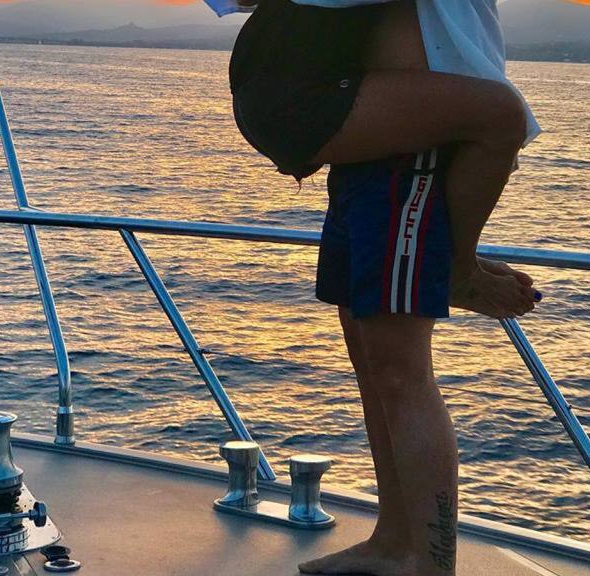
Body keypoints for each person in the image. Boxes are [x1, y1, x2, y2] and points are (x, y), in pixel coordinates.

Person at [227, 1, 543, 575]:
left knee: (399, 371)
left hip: (405, 152)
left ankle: (431, 565)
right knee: (374, 363)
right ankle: (395, 542)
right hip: (369, 147)